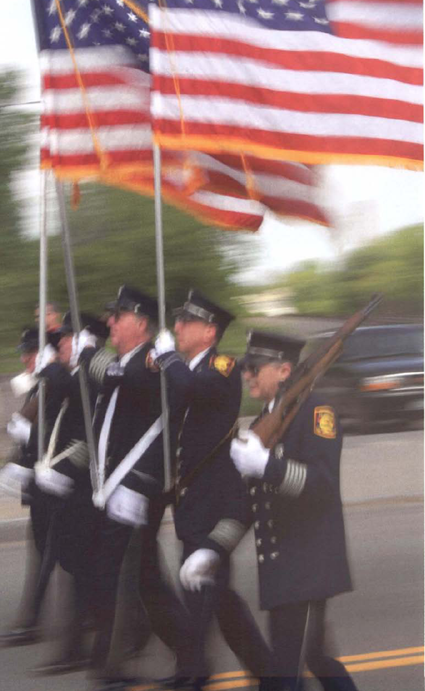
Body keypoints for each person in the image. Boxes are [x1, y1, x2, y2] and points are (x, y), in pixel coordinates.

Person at [151, 290, 274, 691]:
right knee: (219, 602)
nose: (177, 328)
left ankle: (194, 675)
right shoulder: (186, 370)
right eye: (177, 322)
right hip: (192, 503)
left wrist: (168, 357)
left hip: (217, 504)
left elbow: (189, 390)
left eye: (185, 322)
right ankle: (273, 678)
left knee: (202, 598)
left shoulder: (221, 368)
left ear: (209, 331)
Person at [76, 286, 192, 691]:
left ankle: (112, 667)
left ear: (140, 323)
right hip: (115, 490)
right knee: (142, 579)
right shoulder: (127, 363)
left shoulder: (147, 362)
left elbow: (119, 375)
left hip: (135, 491)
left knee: (117, 577)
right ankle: (189, 655)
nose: (109, 321)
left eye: (118, 315)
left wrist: (87, 352)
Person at [230, 330, 358, 691]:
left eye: (255, 367)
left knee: (282, 678)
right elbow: (251, 502)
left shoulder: (317, 413)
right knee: (317, 658)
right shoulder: (265, 421)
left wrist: (267, 466)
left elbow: (322, 485)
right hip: (285, 571)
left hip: (306, 567)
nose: (247, 374)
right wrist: (214, 546)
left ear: (284, 371)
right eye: (246, 367)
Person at [30, 311, 111, 676]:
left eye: (65, 338)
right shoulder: (75, 375)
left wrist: (62, 470)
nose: (58, 344)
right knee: (78, 566)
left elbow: (88, 432)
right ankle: (91, 641)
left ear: (83, 341)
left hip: (85, 488)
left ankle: (87, 646)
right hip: (69, 489)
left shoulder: (88, 379)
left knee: (85, 568)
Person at [0, 326, 70, 647]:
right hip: (39, 486)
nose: (25, 358)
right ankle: (34, 619)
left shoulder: (58, 383)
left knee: (52, 553)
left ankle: (32, 621)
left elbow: (62, 434)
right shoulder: (40, 384)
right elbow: (28, 433)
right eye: (24, 352)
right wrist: (16, 466)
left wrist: (30, 440)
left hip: (57, 485)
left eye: (31, 351)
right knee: (45, 552)